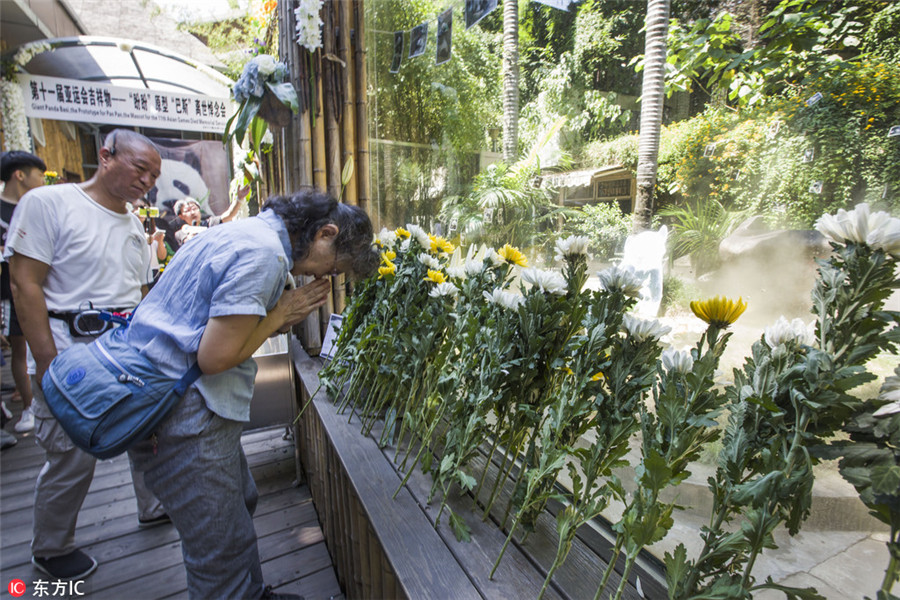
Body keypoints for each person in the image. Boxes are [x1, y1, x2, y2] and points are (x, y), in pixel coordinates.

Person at [124, 190, 378, 600]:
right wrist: (282, 314)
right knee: (218, 546)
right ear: (325, 233)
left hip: (172, 401)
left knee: (238, 504)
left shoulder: (242, 233)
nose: (326, 278)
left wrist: (275, 317)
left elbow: (212, 325)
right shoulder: (264, 255)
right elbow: (215, 357)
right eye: (335, 266)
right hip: (183, 414)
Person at [4, 129, 171, 582]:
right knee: (70, 453)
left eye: (153, 175)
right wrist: (47, 361)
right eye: (141, 169)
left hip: (128, 348)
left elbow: (142, 292)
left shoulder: (135, 223)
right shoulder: (48, 204)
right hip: (70, 349)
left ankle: (153, 505)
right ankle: (52, 549)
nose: (147, 181)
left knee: (146, 433)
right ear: (106, 156)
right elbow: (25, 283)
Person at [1, 150, 46, 433]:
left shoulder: (35, 207)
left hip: (39, 290)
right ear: (20, 175)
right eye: (39, 174)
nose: (42, 180)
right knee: (18, 347)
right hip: (7, 290)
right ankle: (29, 406)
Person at [172, 192, 245, 246]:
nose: (192, 212)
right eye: (187, 210)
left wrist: (239, 199)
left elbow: (229, 215)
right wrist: (191, 237)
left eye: (194, 208)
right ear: (181, 216)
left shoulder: (211, 223)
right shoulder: (181, 233)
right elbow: (188, 241)